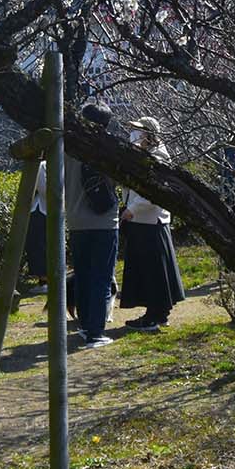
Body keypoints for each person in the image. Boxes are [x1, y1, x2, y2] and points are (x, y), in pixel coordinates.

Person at [118, 117, 185, 333]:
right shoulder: (144, 155)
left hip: (149, 221)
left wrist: (132, 209)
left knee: (154, 271)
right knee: (151, 271)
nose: (134, 136)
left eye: (138, 131)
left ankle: (155, 315)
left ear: (149, 134)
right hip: (143, 221)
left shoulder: (158, 157)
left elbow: (153, 192)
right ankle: (156, 313)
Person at [65, 102, 122, 349]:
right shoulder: (102, 149)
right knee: (101, 276)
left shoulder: (68, 148)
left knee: (84, 275)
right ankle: (96, 332)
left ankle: (86, 325)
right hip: (103, 222)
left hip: (76, 221)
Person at [19, 160, 49, 298]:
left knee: (39, 246)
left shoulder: (42, 165)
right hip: (45, 209)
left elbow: (41, 187)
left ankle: (44, 281)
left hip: (41, 209)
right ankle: (44, 280)